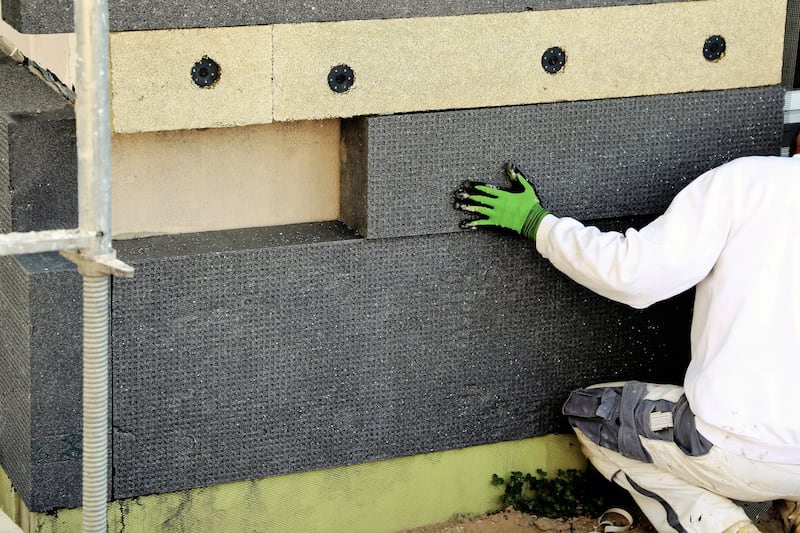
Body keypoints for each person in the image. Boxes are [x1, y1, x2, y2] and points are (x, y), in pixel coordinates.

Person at [454, 146, 800, 533]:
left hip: (736, 448)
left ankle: (724, 527)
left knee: (593, 413)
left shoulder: (750, 183)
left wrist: (539, 224)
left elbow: (635, 274)